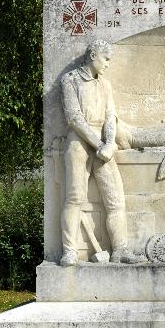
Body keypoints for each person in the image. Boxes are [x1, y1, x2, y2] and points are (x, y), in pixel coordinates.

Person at [59, 40, 141, 265]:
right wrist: (99, 145)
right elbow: (74, 118)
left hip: (103, 143)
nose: (107, 64)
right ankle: (70, 251)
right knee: (74, 198)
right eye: (106, 58)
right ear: (93, 55)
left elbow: (110, 116)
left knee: (115, 200)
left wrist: (110, 142)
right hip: (79, 142)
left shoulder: (105, 84)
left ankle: (120, 249)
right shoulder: (71, 80)